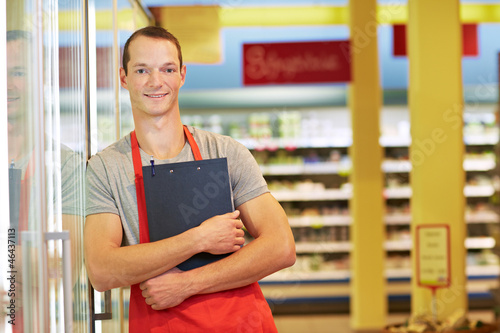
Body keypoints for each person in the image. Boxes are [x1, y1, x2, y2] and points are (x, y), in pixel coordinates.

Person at [84, 26, 296, 332]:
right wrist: (199, 239)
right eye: (142, 70)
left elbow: (281, 246)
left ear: (182, 74)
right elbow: (102, 270)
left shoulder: (225, 152)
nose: (156, 82)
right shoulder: (106, 168)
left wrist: (187, 284)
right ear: (123, 77)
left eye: (167, 69)